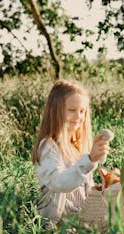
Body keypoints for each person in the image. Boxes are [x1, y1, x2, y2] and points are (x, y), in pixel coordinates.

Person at [32, 79, 110, 225]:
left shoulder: (77, 145)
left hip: (79, 216)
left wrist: (101, 187)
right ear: (55, 111)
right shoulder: (48, 146)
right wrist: (90, 160)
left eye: (82, 111)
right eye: (72, 110)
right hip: (58, 222)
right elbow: (59, 183)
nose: (78, 117)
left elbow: (83, 188)